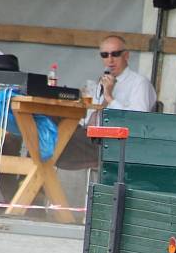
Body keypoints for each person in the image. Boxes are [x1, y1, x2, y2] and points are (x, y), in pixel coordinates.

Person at [57, 35, 157, 170]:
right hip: (92, 136)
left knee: (56, 141)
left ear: (126, 55)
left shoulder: (139, 83)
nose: (110, 60)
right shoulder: (101, 81)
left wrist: (109, 97)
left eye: (115, 54)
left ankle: (37, 181)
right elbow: (90, 118)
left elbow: (137, 120)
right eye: (105, 55)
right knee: (47, 129)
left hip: (117, 143)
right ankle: (31, 182)